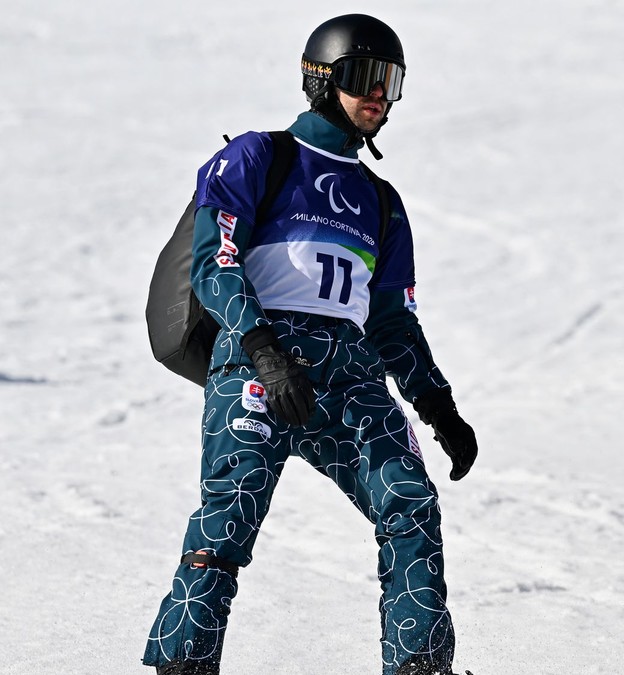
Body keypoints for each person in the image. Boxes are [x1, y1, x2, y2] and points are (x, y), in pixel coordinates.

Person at [141, 14, 478, 675]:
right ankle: (184, 663)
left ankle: (420, 666)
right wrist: (263, 351)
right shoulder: (258, 158)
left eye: (391, 80)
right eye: (365, 77)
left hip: (349, 374)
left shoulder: (380, 201)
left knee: (409, 501)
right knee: (228, 519)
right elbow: (216, 263)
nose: (379, 94)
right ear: (323, 79)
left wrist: (439, 408)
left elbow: (391, 323)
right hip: (259, 359)